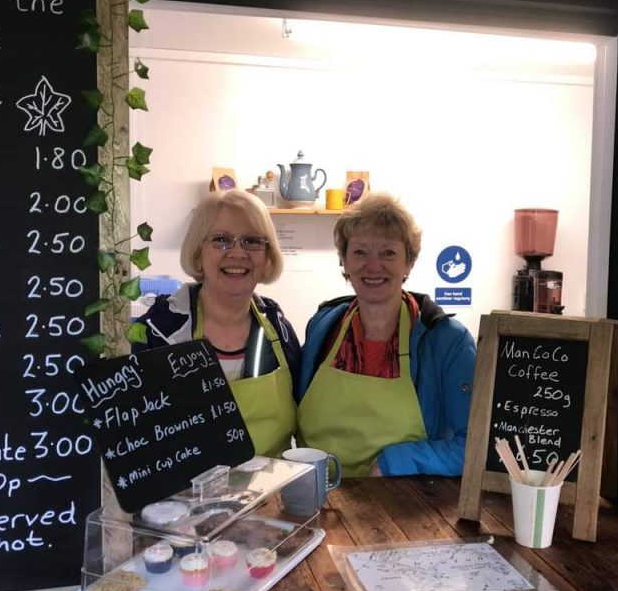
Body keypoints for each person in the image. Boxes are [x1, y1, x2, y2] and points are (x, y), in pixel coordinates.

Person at [296, 193, 476, 477]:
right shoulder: (323, 327)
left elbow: (474, 448)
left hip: (402, 507)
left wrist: (395, 462)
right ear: (344, 261)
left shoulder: (446, 341)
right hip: (319, 499)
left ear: (408, 263)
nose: (373, 266)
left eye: (388, 253)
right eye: (360, 252)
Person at [134, 190, 300, 457]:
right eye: (221, 240)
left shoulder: (278, 328)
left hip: (273, 495)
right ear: (198, 253)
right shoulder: (158, 332)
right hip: (186, 496)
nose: (237, 253)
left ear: (267, 256)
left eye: (251, 241)